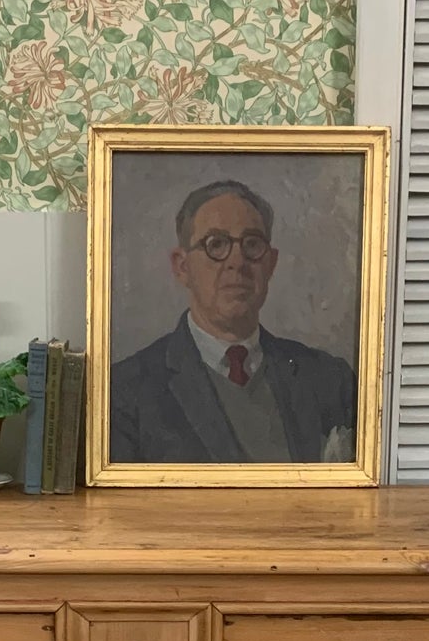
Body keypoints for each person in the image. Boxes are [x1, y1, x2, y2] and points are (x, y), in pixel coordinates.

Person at [108, 179, 357, 464]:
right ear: (182, 266)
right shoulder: (127, 392)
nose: (237, 262)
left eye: (252, 244)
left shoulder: (329, 381)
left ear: (271, 263)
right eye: (216, 244)